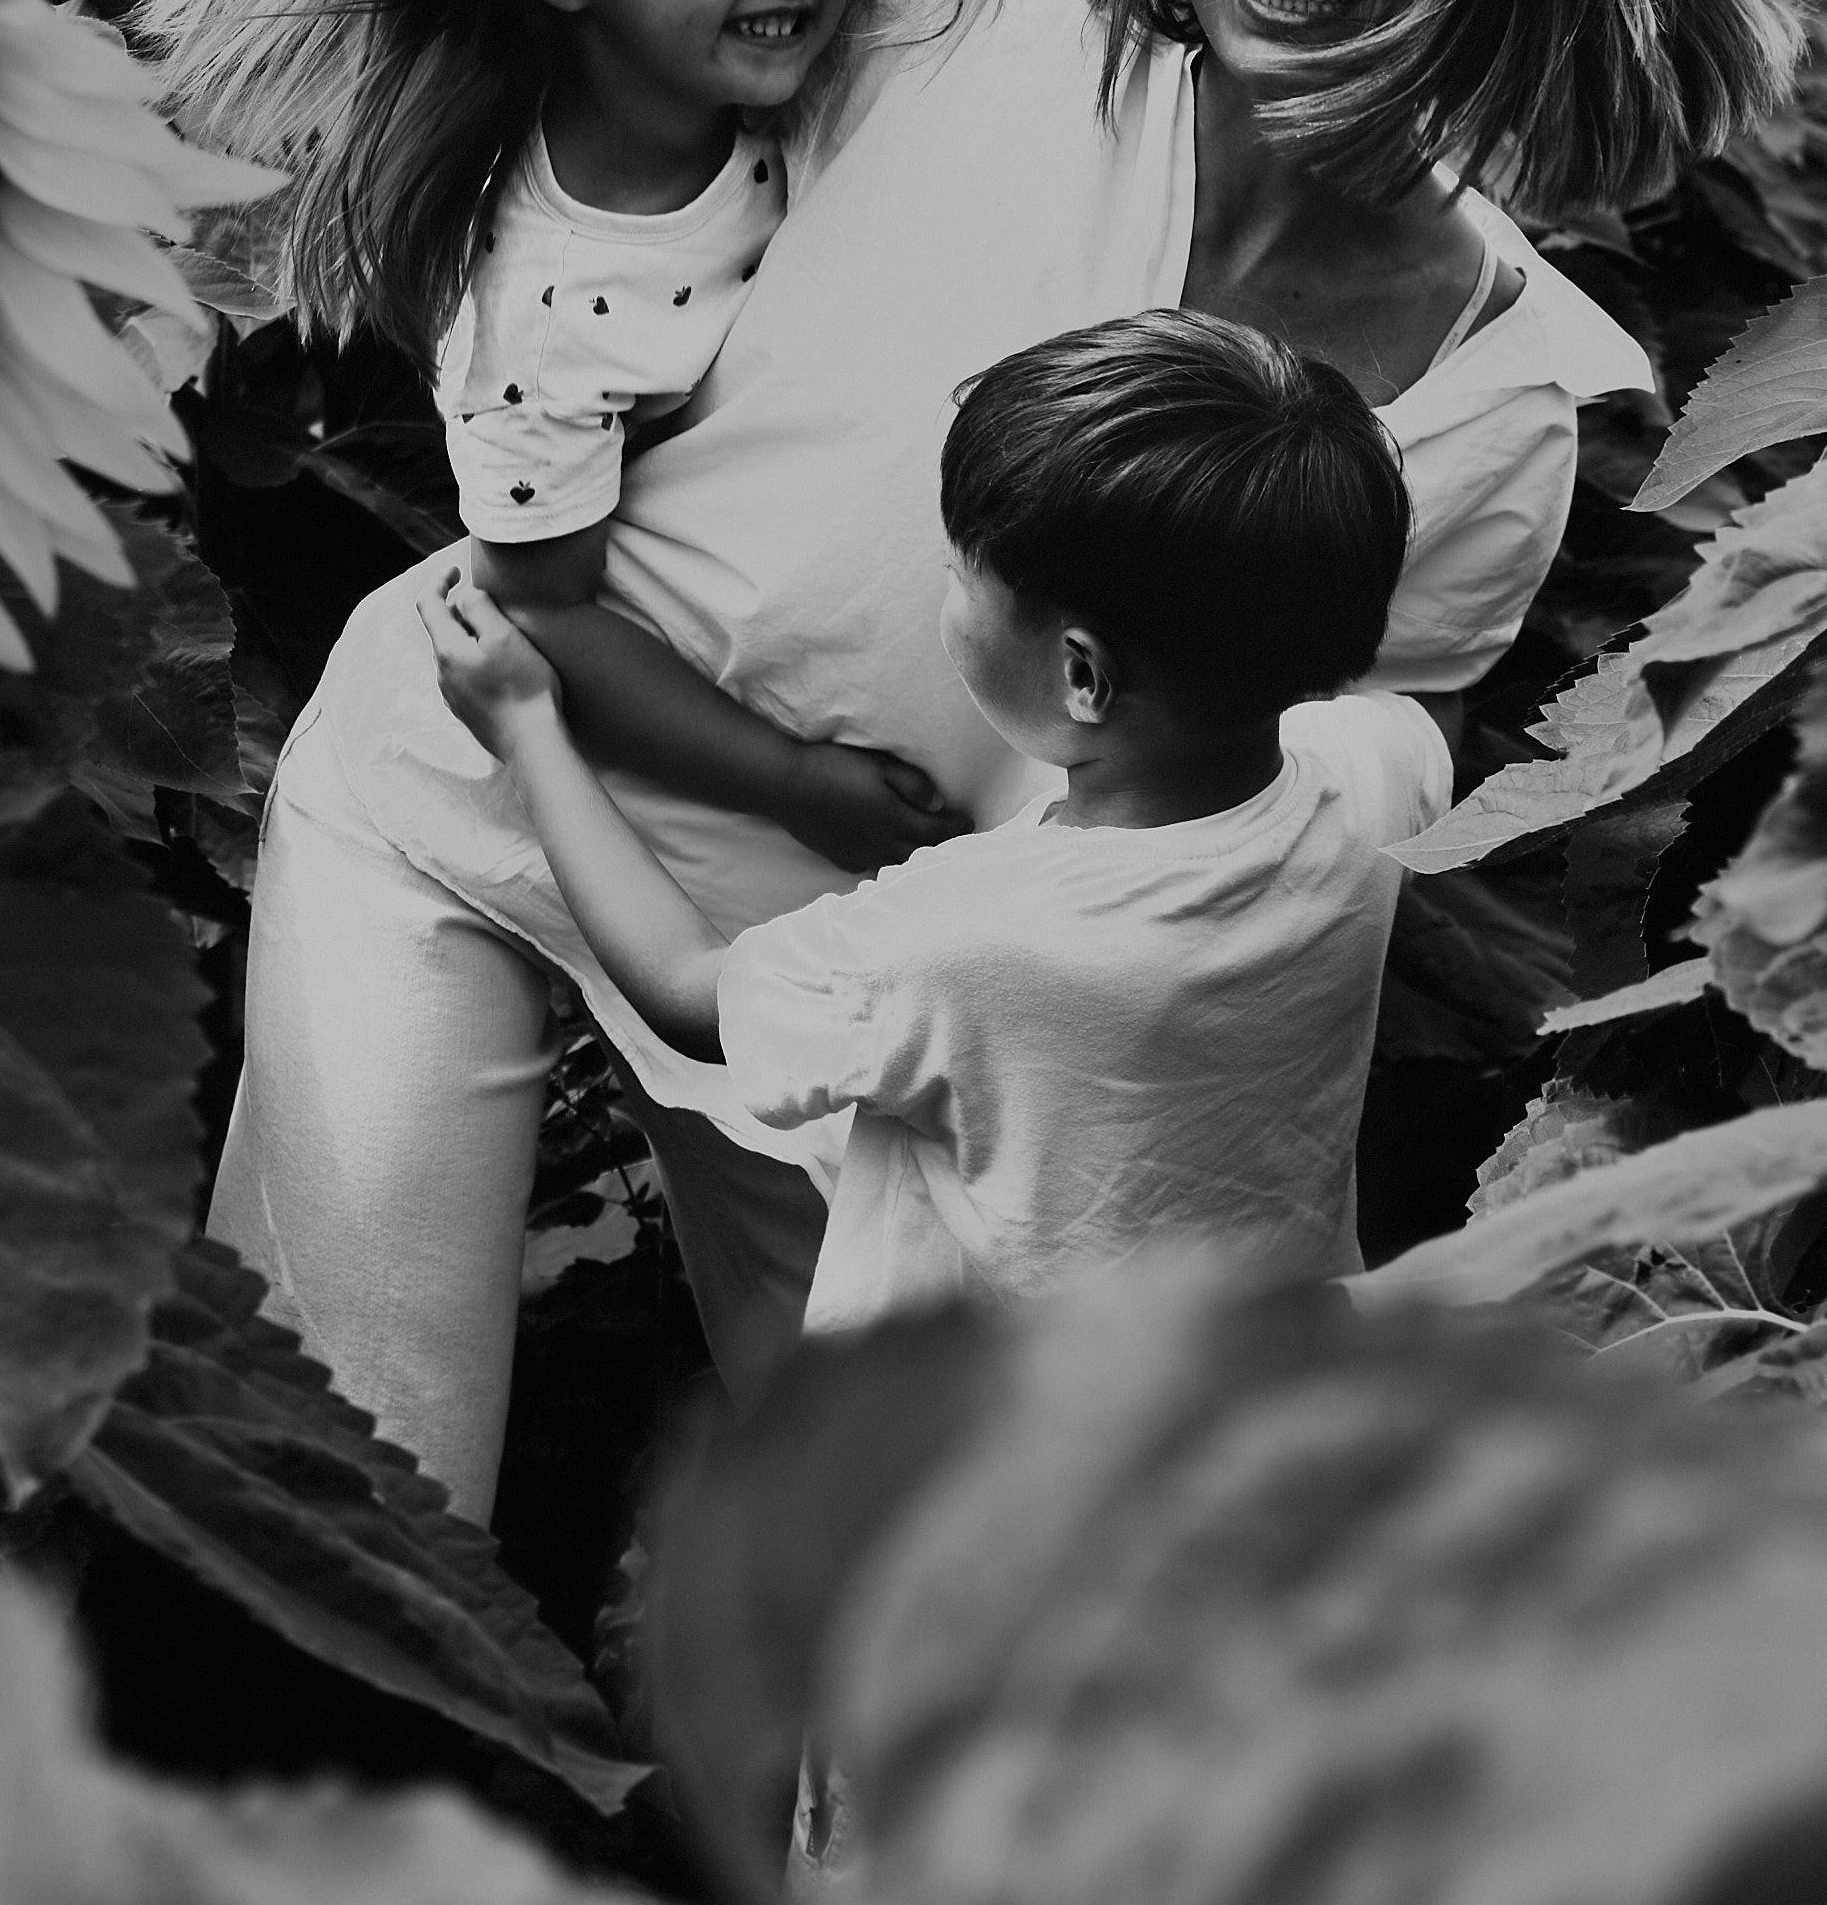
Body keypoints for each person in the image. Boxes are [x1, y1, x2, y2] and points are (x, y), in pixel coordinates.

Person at [201, 0, 1800, 1519]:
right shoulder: (975, 19)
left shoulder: (1480, 420)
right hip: (464, 790)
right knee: (360, 1513)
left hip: (878, 1012)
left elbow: (1234, 869)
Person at [154, 0, 1001, 862]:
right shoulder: (552, 306)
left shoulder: (766, 73)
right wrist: (793, 781)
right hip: (535, 823)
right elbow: (543, 610)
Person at [425, 314, 1426, 1335]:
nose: (943, 590)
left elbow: (691, 994)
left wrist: (526, 725)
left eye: (958, 576)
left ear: (1082, 675)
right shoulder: (1382, 773)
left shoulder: (968, 939)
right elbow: (1387, 723)